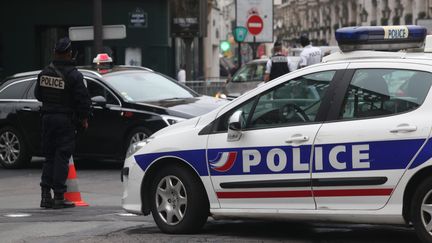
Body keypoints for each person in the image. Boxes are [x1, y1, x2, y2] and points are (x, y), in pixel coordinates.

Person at [35, 37, 91, 209]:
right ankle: (59, 196)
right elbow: (83, 100)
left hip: (47, 119)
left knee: (49, 157)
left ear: (55, 53)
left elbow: (38, 94)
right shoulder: (74, 75)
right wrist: (83, 118)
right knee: (61, 156)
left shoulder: (45, 72)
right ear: (69, 54)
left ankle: (46, 196)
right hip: (64, 120)